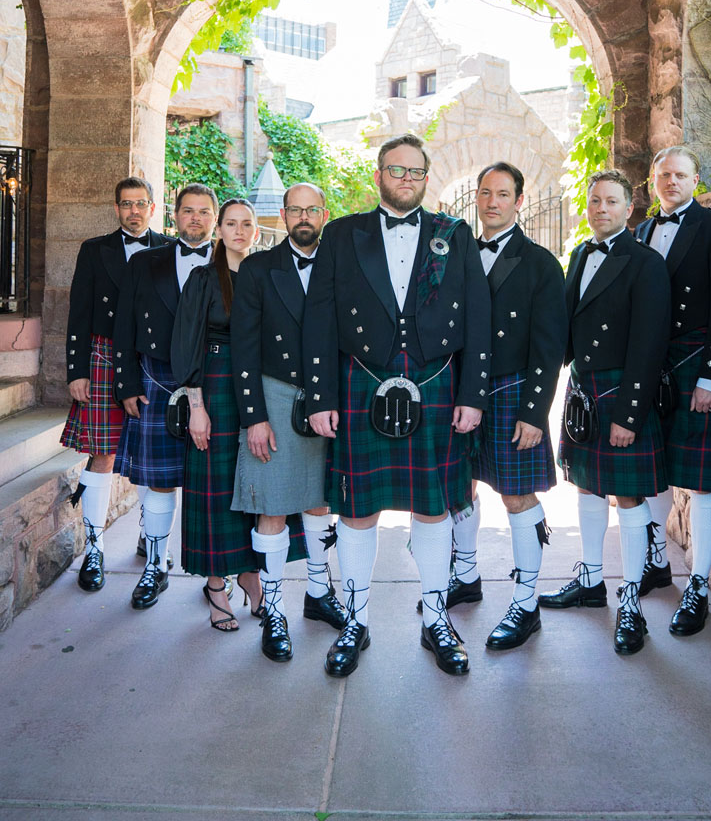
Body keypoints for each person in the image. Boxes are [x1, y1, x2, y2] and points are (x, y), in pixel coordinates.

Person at [303, 133, 491, 677]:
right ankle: (356, 620)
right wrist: (321, 396)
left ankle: (436, 618)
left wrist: (472, 394)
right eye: (396, 170)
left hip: (435, 381)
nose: (405, 179)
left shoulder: (453, 234)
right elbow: (320, 318)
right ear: (378, 175)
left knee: (433, 506)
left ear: (425, 178)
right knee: (356, 509)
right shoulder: (343, 234)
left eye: (415, 172)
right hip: (362, 379)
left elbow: (478, 318)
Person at [539, 169, 670, 656]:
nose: (601, 209)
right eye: (595, 201)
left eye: (611, 201)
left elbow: (648, 344)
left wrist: (629, 415)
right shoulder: (580, 253)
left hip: (620, 392)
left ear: (629, 208)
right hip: (585, 390)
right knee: (587, 486)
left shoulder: (646, 263)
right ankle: (591, 582)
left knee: (628, 496)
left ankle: (631, 601)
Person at [443, 162, 567, 651]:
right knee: (459, 487)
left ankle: (526, 602)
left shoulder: (540, 263)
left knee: (517, 496)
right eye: (484, 193)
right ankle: (466, 576)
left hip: (512, 391)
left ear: (519, 201)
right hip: (458, 391)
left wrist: (534, 413)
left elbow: (550, 347)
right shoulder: (458, 256)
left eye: (502, 194)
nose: (491, 202)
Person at [229, 183, 347, 660]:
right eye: (295, 210)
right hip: (275, 395)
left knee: (320, 502)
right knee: (273, 506)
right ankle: (273, 609)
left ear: (324, 215)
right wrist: (254, 417)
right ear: (283, 215)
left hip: (328, 399)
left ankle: (318, 593)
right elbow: (243, 347)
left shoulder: (339, 268)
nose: (303, 217)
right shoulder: (258, 269)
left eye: (311, 210)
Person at [634, 145, 711, 637]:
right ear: (653, 180)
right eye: (664, 175)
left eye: (680, 175)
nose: (672, 182)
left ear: (695, 180)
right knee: (651, 471)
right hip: (651, 369)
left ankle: (699, 584)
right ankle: (657, 561)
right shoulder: (641, 231)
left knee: (702, 483)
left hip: (696, 364)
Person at [61, 177, 170, 592]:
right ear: (116, 208)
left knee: (151, 455)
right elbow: (78, 313)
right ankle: (94, 548)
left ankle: (149, 538)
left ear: (153, 207)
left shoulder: (169, 249)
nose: (134, 211)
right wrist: (77, 371)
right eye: (126, 204)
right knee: (103, 453)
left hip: (152, 359)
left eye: (141, 203)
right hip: (104, 356)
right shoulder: (95, 250)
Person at [113, 183, 218, 610]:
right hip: (157, 378)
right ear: (174, 215)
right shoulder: (145, 261)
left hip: (215, 382)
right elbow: (124, 324)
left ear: (214, 218)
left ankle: (217, 575)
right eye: (188, 210)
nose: (195, 218)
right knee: (159, 481)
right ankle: (156, 566)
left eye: (204, 211)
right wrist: (126, 384)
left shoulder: (234, 262)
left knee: (214, 483)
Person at [170, 198, 263, 631]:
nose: (239, 231)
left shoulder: (265, 277)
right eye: (231, 223)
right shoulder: (204, 279)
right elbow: (187, 342)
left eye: (247, 224)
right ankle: (215, 584)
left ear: (256, 231)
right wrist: (197, 407)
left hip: (259, 388)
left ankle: (249, 572)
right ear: (220, 230)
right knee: (215, 488)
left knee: (254, 486)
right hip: (216, 386)